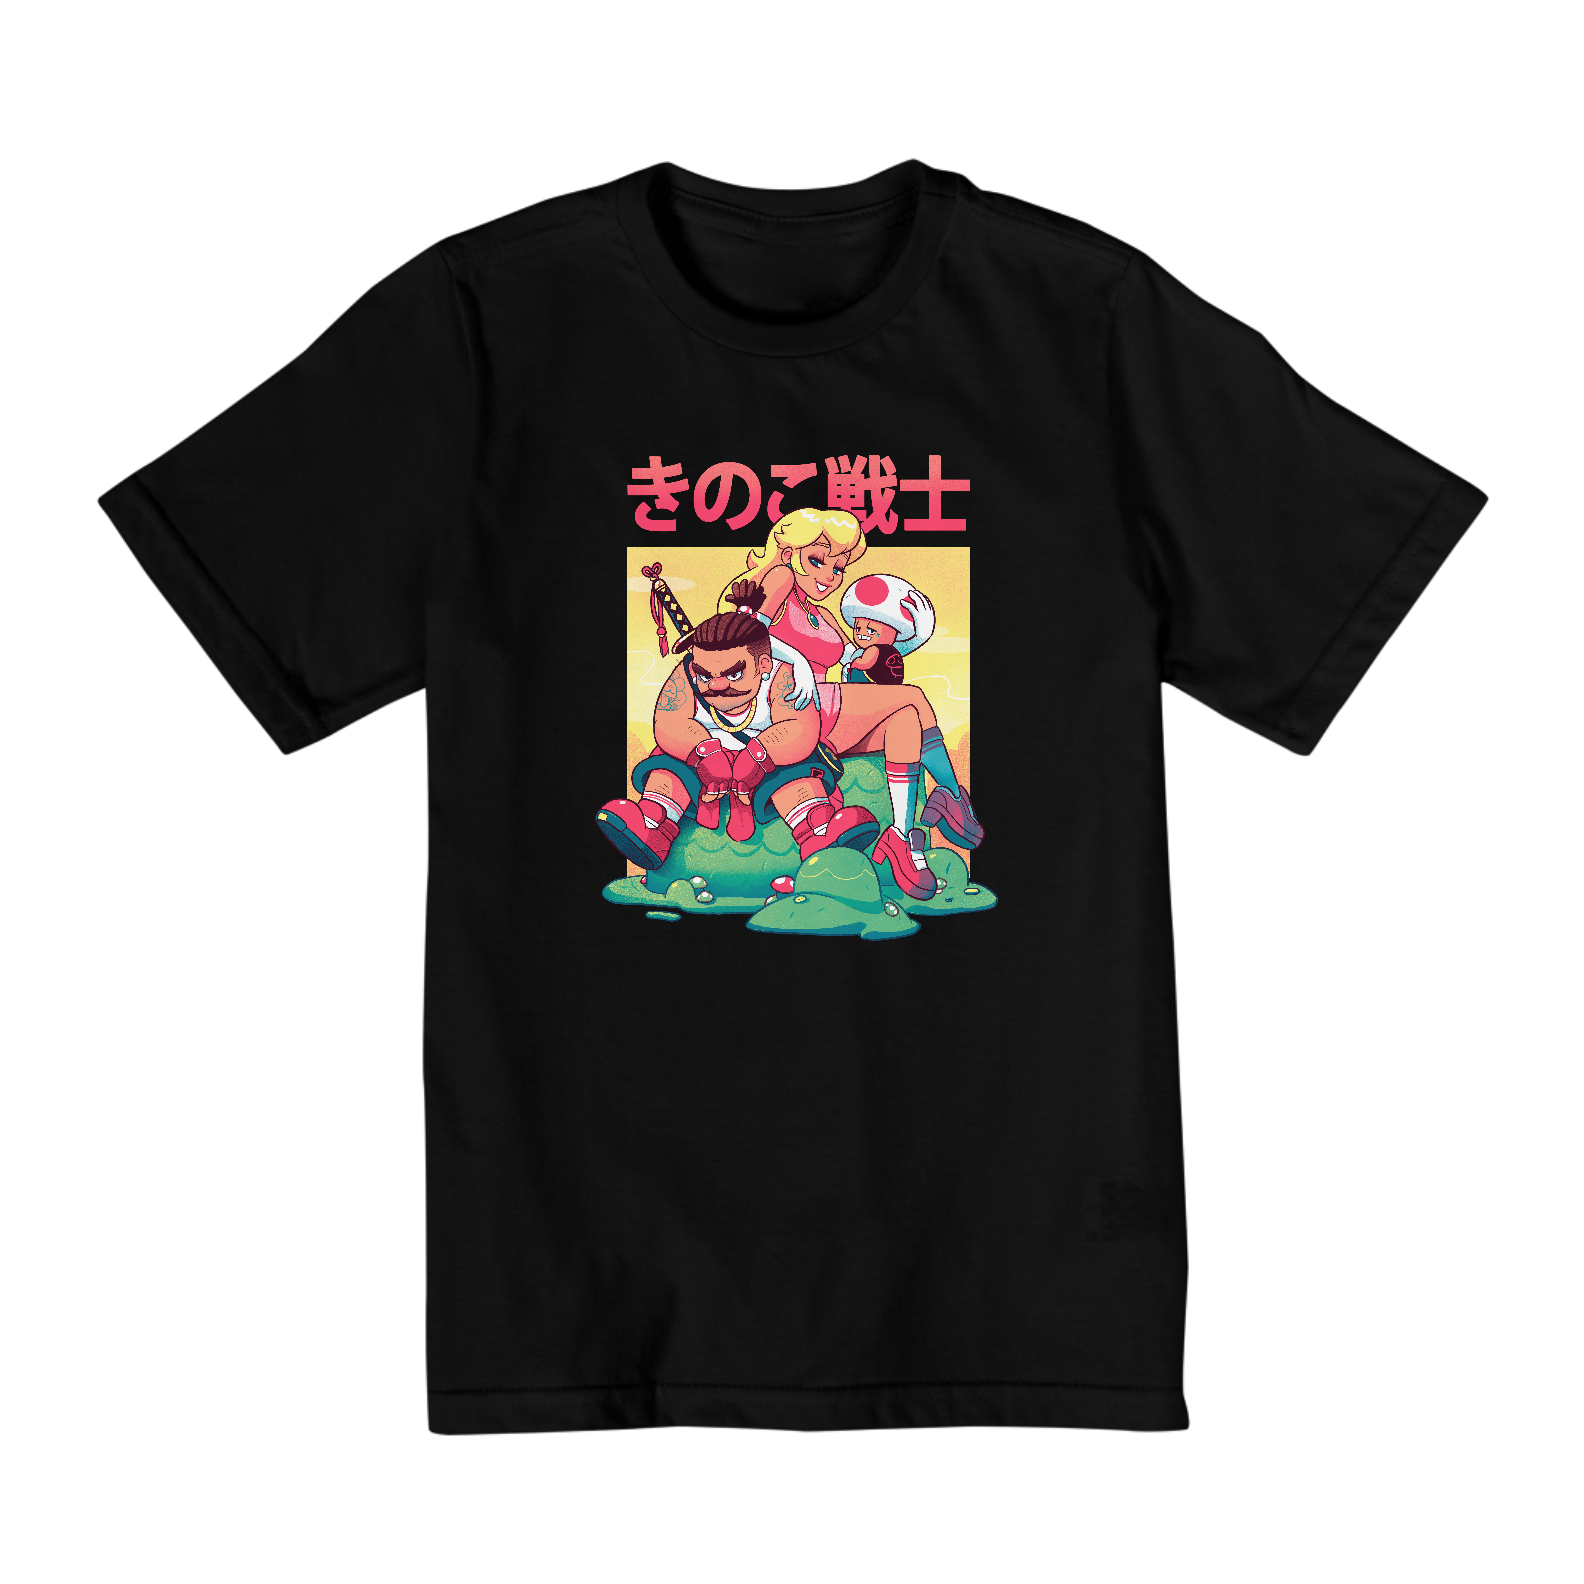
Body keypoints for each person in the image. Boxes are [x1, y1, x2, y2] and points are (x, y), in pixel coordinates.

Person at [728, 512, 984, 866]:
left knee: (905, 721)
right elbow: (746, 632)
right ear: (788, 554)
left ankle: (901, 837)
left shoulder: (823, 615)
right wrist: (797, 661)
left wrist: (912, 636)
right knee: (912, 698)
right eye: (817, 560)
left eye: (838, 567)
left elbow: (861, 657)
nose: (828, 575)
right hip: (788, 708)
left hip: (824, 713)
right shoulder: (780, 578)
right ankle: (952, 796)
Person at [599, 584, 877, 867]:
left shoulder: (783, 678)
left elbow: (800, 728)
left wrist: (758, 755)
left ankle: (818, 830)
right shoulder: (686, 672)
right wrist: (703, 750)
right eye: (705, 676)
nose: (717, 685)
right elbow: (668, 720)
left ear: (763, 664)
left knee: (797, 777)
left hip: (770, 764)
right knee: (666, 769)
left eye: (734, 674)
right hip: (699, 764)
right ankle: (652, 823)